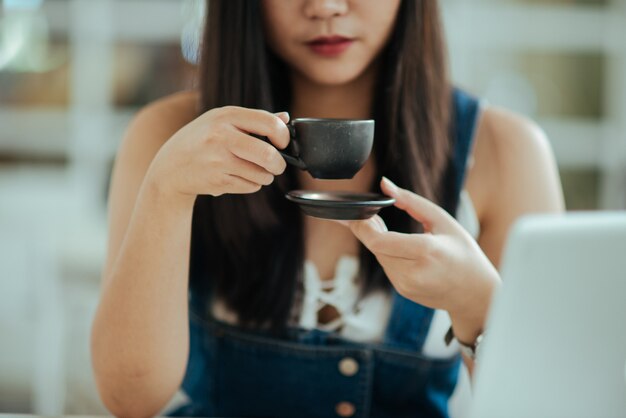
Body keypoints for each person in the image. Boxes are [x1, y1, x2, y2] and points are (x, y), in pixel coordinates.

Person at [90, 1, 564, 417]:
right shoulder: (168, 136)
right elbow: (132, 400)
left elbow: (553, 406)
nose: (326, 6)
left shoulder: (507, 152)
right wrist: (166, 193)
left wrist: (480, 307)